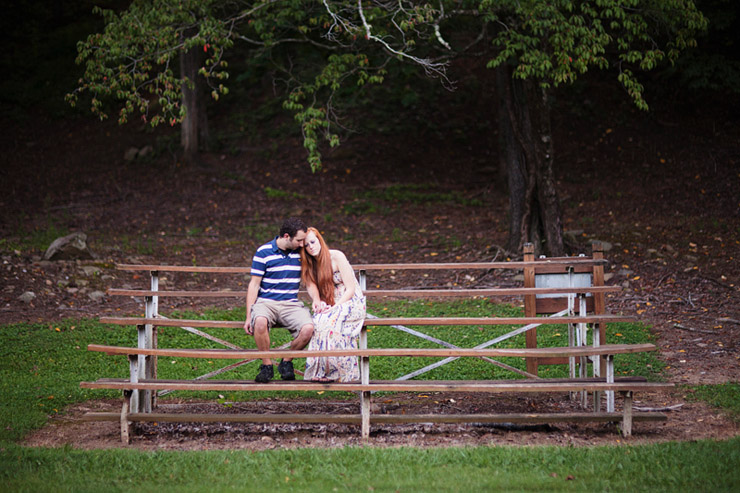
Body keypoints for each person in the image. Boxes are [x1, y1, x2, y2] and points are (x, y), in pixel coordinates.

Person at [244, 217, 314, 383]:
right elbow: (254, 285)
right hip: (266, 303)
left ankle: (286, 361)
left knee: (308, 328)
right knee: (260, 321)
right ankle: (266, 365)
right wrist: (249, 316)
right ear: (286, 236)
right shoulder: (264, 252)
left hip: (291, 303)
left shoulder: (301, 253)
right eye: (299, 240)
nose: (302, 244)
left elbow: (311, 279)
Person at [301, 227, 366, 382]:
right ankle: (322, 371)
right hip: (330, 303)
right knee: (318, 322)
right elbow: (312, 287)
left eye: (313, 241)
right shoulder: (309, 264)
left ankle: (341, 372)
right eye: (306, 245)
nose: (311, 246)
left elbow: (350, 289)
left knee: (332, 321)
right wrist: (319, 303)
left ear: (319, 240)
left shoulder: (336, 256)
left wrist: (336, 307)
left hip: (350, 301)